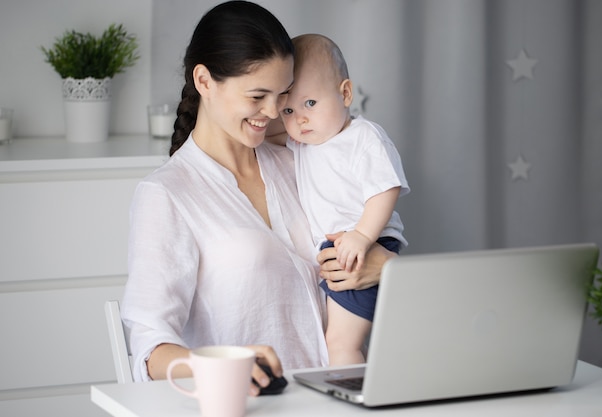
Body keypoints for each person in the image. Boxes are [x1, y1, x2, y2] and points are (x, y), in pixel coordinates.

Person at [121, 1, 394, 394]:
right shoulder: (167, 195)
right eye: (257, 96)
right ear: (204, 81)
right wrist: (223, 366)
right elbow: (149, 349)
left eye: (283, 94)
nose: (273, 112)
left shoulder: (300, 159)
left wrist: (385, 267)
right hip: (255, 404)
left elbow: (369, 242)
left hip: (341, 397)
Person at [278, 34, 410, 365]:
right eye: (289, 110)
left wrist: (363, 236)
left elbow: (385, 188)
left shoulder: (362, 137)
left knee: (339, 344)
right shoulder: (305, 142)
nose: (300, 119)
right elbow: (268, 131)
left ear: (345, 93)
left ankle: (350, 402)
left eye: (310, 104)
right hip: (339, 248)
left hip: (367, 244)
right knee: (340, 339)